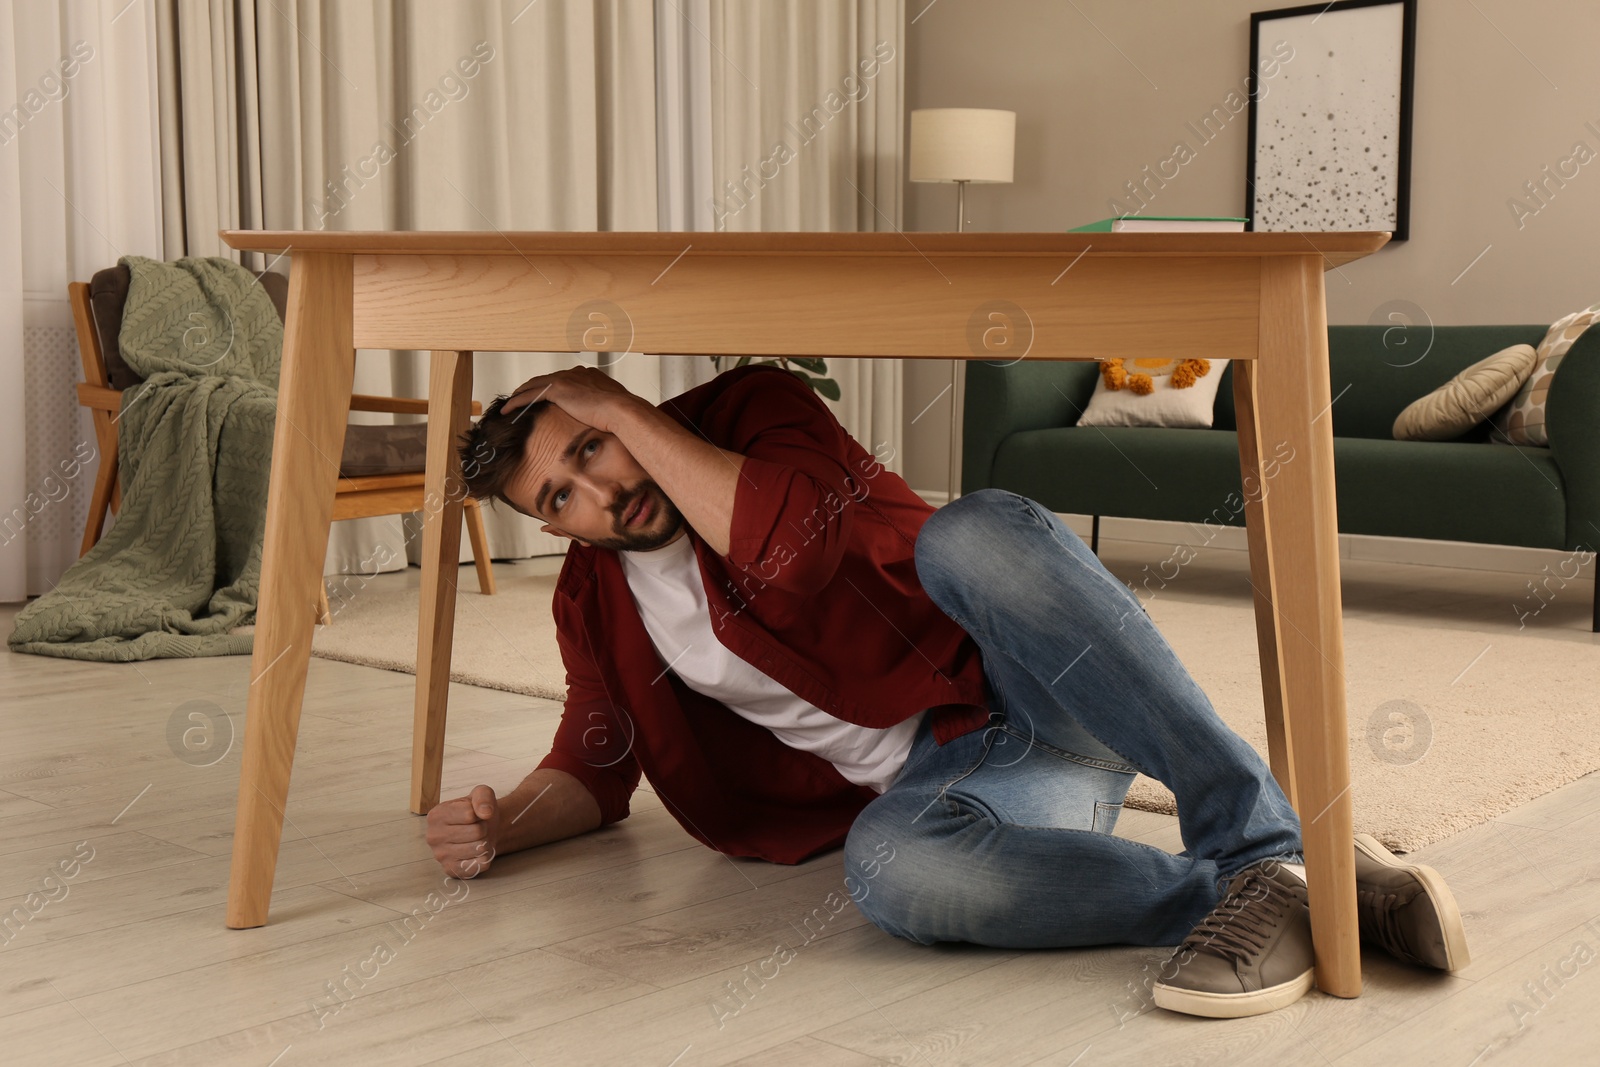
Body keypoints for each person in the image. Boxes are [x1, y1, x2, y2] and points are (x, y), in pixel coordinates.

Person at [426, 361, 1470, 1019]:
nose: (606, 491)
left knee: (973, 530)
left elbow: (786, 548)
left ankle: (1260, 840)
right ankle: (1288, 894)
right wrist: (499, 822)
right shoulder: (592, 596)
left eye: (594, 446)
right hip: (973, 780)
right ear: (554, 527)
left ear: (626, 411)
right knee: (889, 870)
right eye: (562, 496)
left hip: (1033, 680)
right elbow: (593, 760)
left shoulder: (756, 408)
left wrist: (608, 397)